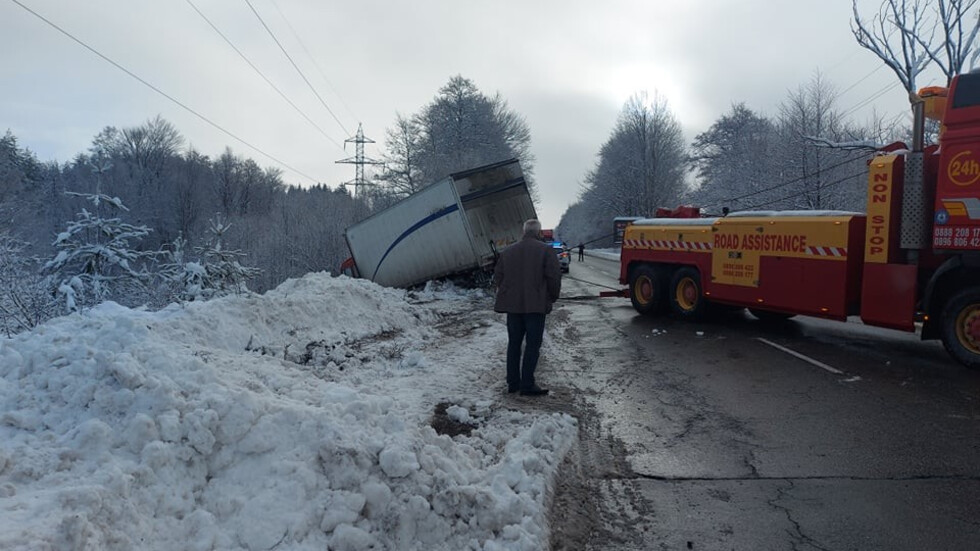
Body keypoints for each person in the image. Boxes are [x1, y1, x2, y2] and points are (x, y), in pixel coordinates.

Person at [493, 219, 562, 396]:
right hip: (536, 307)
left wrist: (509, 293)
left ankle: (513, 382)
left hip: (513, 308)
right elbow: (554, 278)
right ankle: (527, 384)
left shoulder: (507, 252)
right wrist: (551, 297)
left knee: (514, 344)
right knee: (532, 345)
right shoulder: (546, 250)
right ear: (539, 233)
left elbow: (498, 277)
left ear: (523, 232)